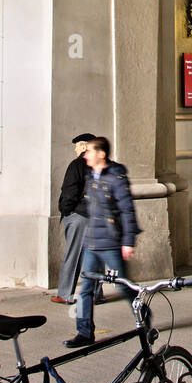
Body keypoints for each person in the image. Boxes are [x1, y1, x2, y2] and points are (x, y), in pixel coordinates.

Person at [65, 136, 140, 348]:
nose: (85, 154)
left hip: (111, 242)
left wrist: (128, 241)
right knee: (86, 288)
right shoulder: (91, 175)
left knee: (124, 286)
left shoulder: (116, 176)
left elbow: (127, 209)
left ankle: (143, 318)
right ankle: (84, 332)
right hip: (93, 241)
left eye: (89, 151)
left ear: (101, 154)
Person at [51, 132, 95, 304]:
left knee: (73, 255)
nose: (75, 149)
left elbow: (70, 191)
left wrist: (66, 210)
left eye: (76, 146)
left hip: (79, 216)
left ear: (84, 146)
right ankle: (95, 295)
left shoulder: (77, 164)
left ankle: (65, 294)